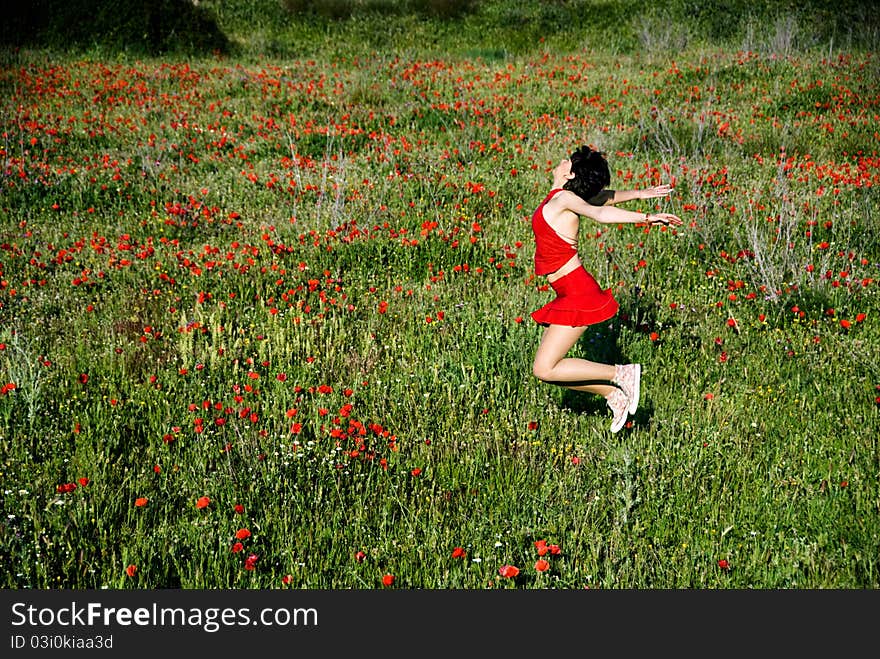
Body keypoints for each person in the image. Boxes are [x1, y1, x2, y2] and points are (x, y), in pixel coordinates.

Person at [530, 145, 683, 433]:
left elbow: (599, 213)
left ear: (570, 173)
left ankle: (621, 374)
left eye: (568, 160)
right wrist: (639, 193)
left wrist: (647, 217)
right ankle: (612, 394)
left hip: (577, 291)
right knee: (546, 369)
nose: (562, 159)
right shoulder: (562, 197)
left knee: (544, 368)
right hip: (567, 290)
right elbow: (602, 199)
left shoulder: (565, 198)